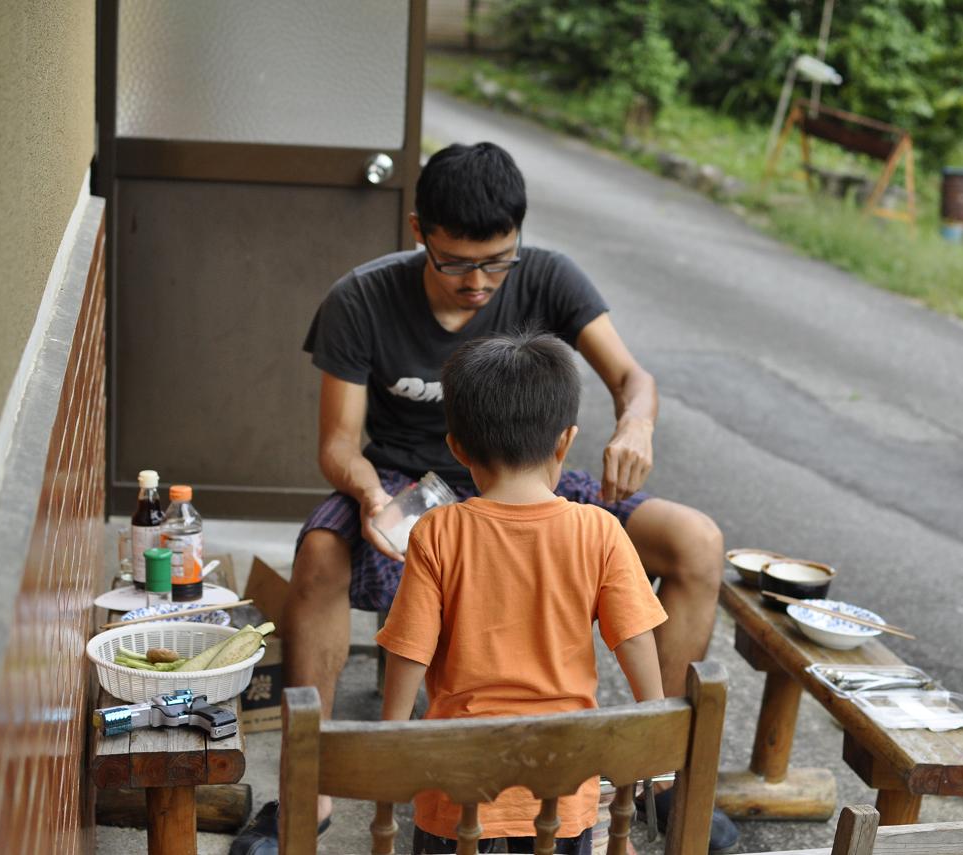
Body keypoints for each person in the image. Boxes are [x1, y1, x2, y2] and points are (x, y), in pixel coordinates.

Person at [228, 142, 734, 855]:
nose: (479, 282)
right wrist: (372, 496)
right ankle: (308, 794)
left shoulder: (549, 277)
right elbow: (338, 443)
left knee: (697, 541)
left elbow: (632, 378)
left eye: (498, 260)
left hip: (533, 468)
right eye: (457, 262)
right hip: (401, 481)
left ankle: (661, 773)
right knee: (315, 556)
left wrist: (636, 426)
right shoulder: (361, 299)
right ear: (418, 231)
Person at [377, 331, 667, 852]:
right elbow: (637, 640)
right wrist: (656, 738)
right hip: (562, 788)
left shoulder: (438, 531)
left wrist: (388, 746)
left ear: (457, 447)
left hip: (457, 788)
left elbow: (408, 652)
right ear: (566, 440)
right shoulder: (599, 530)